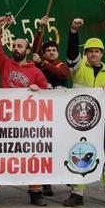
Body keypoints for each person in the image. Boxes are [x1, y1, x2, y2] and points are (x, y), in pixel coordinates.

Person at [0, 16, 49, 206]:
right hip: (5, 120)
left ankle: (36, 193)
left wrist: (39, 91)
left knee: (31, 157)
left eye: (20, 46)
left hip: (27, 123)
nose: (16, 48)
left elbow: (50, 96)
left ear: (27, 50)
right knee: (0, 157)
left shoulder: (36, 72)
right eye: (14, 46)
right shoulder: (6, 64)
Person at [64, 19, 105, 207]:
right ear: (86, 54)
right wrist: (74, 31)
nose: (93, 54)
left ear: (101, 54)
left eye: (96, 51)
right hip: (80, 119)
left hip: (103, 120)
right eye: (90, 51)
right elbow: (71, 55)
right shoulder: (78, 68)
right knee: (79, 152)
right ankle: (77, 192)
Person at [30, 18, 71, 196]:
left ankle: (68, 175)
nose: (52, 52)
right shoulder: (39, 67)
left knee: (62, 146)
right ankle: (46, 182)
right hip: (44, 114)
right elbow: (34, 50)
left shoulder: (60, 66)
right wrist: (40, 29)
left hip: (60, 115)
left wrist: (43, 63)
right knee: (45, 148)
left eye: (54, 50)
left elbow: (61, 73)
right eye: (48, 51)